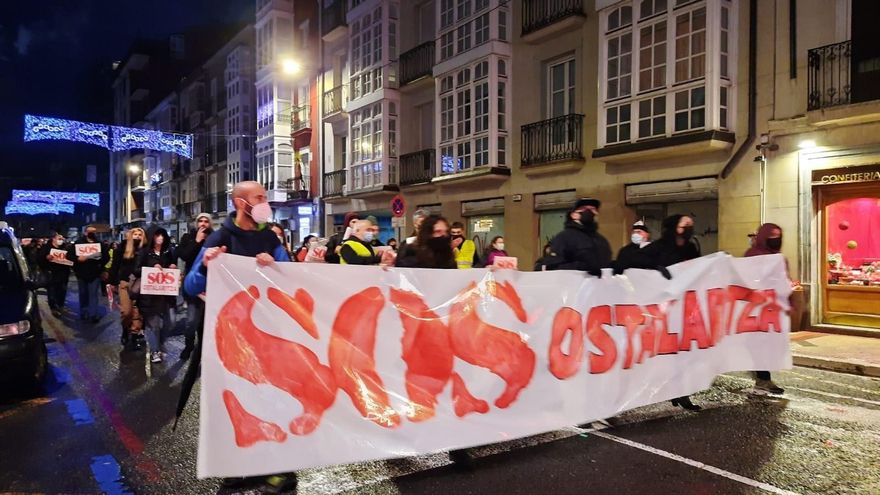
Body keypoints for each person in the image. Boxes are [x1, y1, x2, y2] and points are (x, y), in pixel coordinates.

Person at [183, 181, 295, 493]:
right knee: (234, 402)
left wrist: (276, 266)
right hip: (229, 340)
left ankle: (279, 470)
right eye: (259, 197)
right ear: (240, 202)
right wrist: (206, 266)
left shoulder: (269, 238)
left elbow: (291, 277)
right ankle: (239, 465)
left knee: (273, 402)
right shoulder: (220, 238)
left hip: (266, 335)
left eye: (265, 197)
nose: (265, 201)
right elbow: (190, 286)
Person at [618, 214, 702, 411]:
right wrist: (656, 268)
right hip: (659, 308)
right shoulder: (660, 246)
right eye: (685, 224)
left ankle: (681, 393)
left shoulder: (690, 247)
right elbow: (632, 261)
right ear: (674, 226)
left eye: (691, 223)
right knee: (660, 351)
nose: (689, 226)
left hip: (683, 307)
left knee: (682, 351)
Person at [744, 223, 786, 395]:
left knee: (767, 345)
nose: (776, 240)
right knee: (759, 344)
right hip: (755, 308)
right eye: (772, 237)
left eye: (778, 236)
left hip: (771, 308)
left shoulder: (774, 256)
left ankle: (763, 378)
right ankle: (762, 379)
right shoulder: (753, 255)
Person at [176, 213, 214, 360]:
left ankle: (203, 350)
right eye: (200, 221)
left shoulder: (215, 238)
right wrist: (197, 241)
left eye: (206, 221)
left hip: (210, 285)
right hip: (193, 285)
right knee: (191, 321)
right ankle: (189, 344)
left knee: (205, 322)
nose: (203, 224)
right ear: (196, 223)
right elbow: (185, 255)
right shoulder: (188, 237)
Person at [138, 228, 177, 364]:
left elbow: (174, 266)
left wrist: (173, 266)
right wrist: (151, 268)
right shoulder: (145, 252)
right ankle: (155, 350)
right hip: (151, 295)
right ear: (152, 237)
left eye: (162, 235)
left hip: (167, 295)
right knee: (153, 324)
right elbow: (137, 270)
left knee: (171, 321)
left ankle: (159, 342)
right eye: (157, 235)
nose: (160, 237)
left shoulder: (169, 252)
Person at [545, 198, 612, 275]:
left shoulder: (601, 240)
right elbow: (552, 267)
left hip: (598, 286)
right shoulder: (563, 238)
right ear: (573, 215)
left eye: (593, 209)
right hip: (572, 285)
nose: (589, 212)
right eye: (583, 209)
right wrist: (580, 267)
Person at [111, 228, 146, 347]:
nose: (137, 236)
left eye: (140, 235)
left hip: (140, 284)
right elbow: (115, 265)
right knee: (127, 312)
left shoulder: (145, 249)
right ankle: (125, 330)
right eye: (135, 234)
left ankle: (134, 335)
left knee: (137, 313)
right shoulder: (122, 247)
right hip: (125, 283)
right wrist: (112, 282)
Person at [67, 226, 109, 322]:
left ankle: (93, 314)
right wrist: (77, 259)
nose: (92, 233)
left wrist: (100, 262)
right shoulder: (78, 243)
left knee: (93, 294)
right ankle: (84, 312)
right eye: (90, 231)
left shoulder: (100, 244)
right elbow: (69, 256)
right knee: (83, 294)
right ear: (85, 232)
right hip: (81, 273)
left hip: (95, 273)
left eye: (94, 232)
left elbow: (106, 257)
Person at [38, 233, 71, 318]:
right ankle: (53, 308)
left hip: (63, 273)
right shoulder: (46, 248)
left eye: (62, 239)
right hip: (51, 274)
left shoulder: (65, 247)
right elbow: (39, 260)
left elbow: (71, 258)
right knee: (52, 291)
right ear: (53, 239)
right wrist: (46, 258)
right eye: (59, 238)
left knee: (62, 291)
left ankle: (60, 305)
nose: (61, 240)